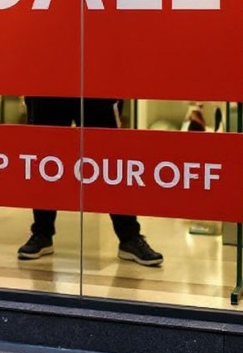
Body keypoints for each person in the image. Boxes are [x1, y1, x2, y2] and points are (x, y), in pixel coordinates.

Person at [16, 96, 164, 266]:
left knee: (109, 159)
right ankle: (42, 233)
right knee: (46, 159)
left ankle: (129, 236)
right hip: (49, 83)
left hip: (95, 84)